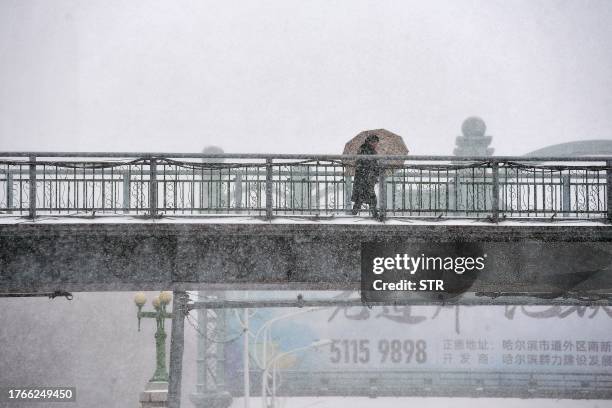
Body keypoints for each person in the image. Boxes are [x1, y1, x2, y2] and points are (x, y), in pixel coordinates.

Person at [351, 134, 381, 218]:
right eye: (374, 142)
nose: (376, 144)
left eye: (376, 143)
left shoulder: (370, 151)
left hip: (366, 177)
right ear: (370, 142)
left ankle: (354, 214)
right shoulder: (365, 150)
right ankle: (374, 214)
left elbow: (373, 164)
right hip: (365, 177)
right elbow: (364, 164)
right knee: (369, 197)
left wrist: (376, 171)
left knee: (361, 197)